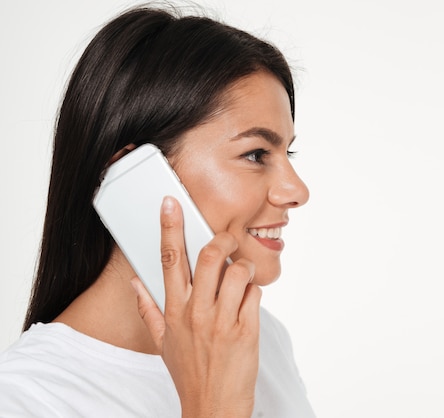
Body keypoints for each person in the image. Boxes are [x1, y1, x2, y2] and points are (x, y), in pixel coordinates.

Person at [0, 5, 315, 417]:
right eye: (256, 153)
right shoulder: (26, 398)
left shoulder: (259, 339)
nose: (298, 191)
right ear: (130, 177)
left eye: (286, 151)